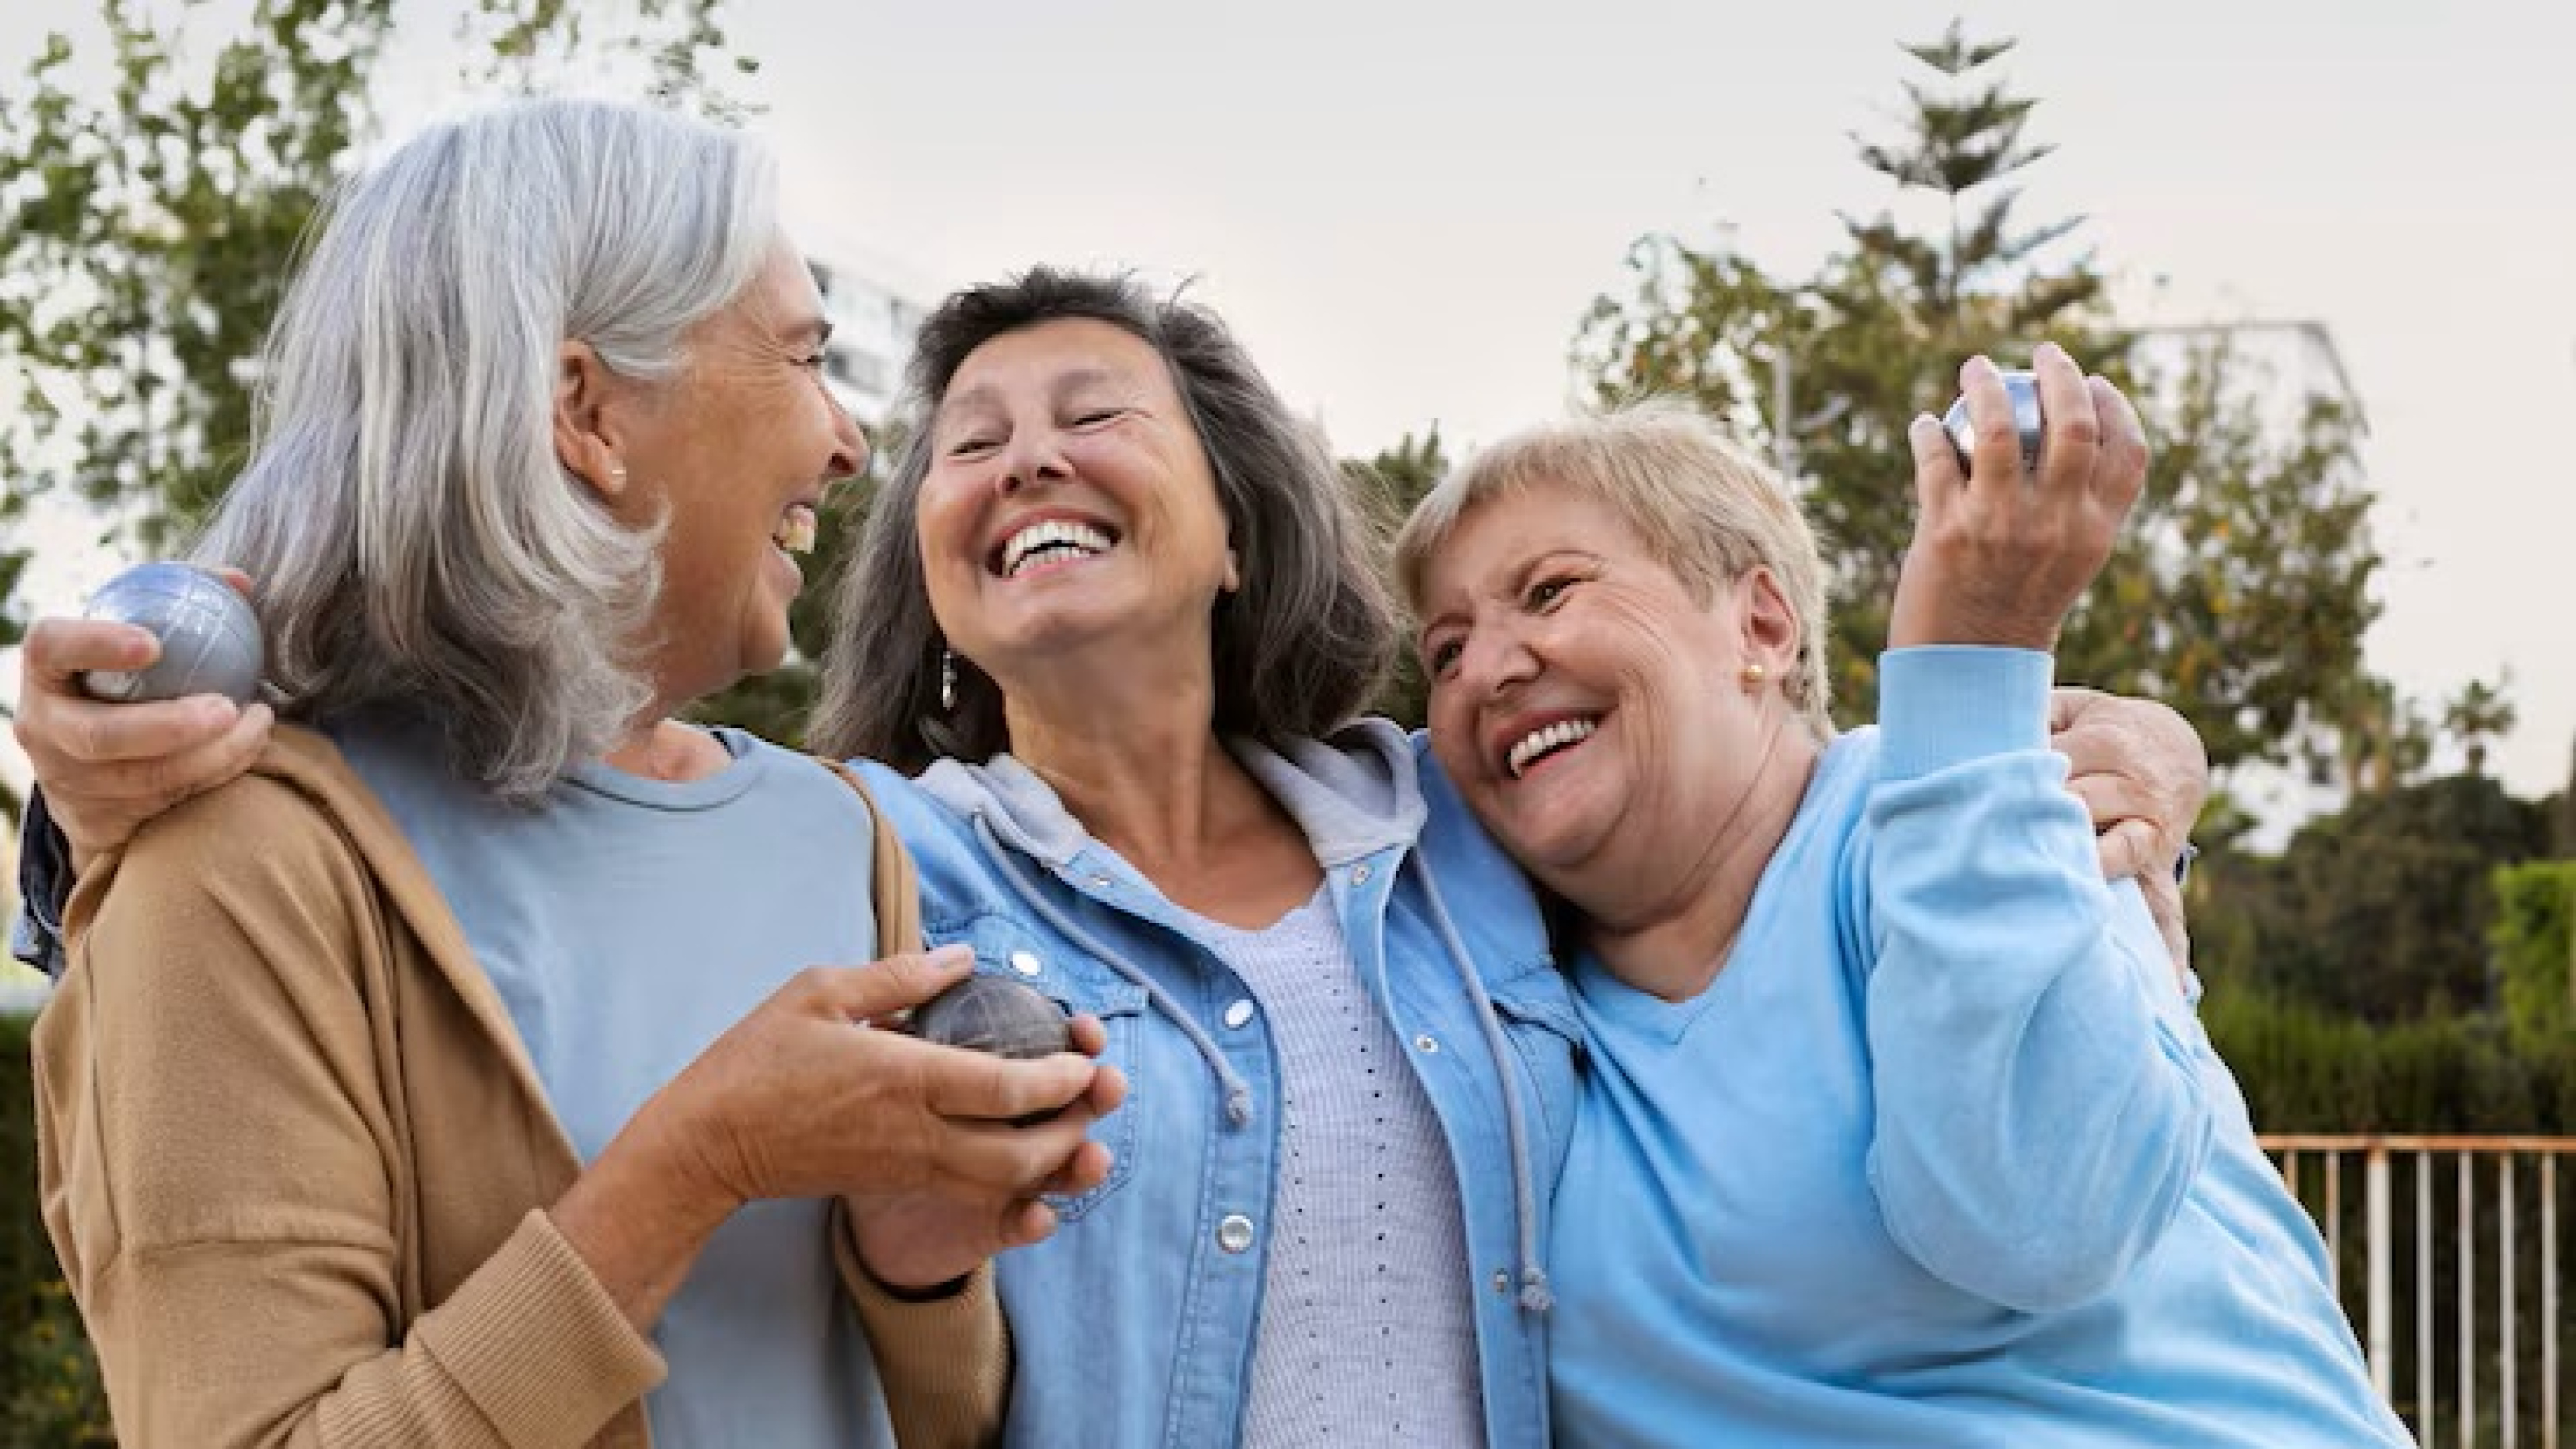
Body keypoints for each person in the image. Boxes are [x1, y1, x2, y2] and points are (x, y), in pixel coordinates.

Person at [15, 272, 2208, 1448]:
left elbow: (1753, 799)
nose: (1022, 461)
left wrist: (2107, 755)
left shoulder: (1450, 825)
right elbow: (506, 837)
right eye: (964, 445)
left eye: (1091, 415)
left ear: (1232, 521)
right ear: (932, 574)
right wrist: (93, 811)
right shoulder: (858, 854)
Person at [17, 99, 1122, 1449]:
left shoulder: (833, 832)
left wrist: (918, 1269)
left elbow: (930, 1422)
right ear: (586, 410)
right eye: (803, 358)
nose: (848, 442)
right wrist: (701, 1165)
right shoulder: (239, 866)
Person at [1393, 356, 2412, 1446]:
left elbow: (2044, 1223)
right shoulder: (1477, 975)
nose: (1486, 671)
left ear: (1762, 628)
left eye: (1550, 591)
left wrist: (1975, 660)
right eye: (1444, 653)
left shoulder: (1985, 798)